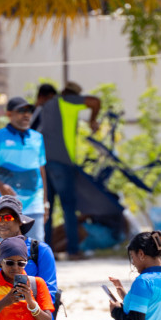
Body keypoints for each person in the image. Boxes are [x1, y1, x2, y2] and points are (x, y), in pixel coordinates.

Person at [35, 81, 102, 258]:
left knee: (47, 207)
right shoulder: (67, 101)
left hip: (44, 162)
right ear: (73, 95)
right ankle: (73, 250)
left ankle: (46, 253)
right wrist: (93, 120)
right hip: (61, 163)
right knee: (69, 207)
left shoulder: (47, 106)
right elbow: (95, 102)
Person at [0, 96, 48, 242]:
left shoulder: (38, 138)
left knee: (35, 247)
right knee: (4, 249)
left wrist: (45, 202)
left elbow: (41, 171)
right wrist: (0, 185)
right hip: (6, 206)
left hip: (34, 203)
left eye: (29, 110)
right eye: (21, 111)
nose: (26, 114)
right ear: (9, 114)